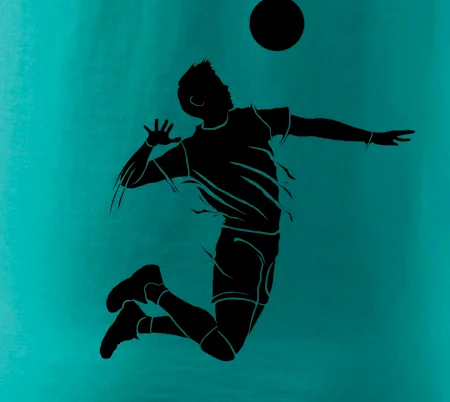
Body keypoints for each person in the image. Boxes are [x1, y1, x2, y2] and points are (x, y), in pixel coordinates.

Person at [100, 59, 414, 361]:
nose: (226, 88)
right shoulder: (191, 151)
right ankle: (151, 289)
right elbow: (131, 179)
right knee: (225, 346)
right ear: (198, 101)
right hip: (240, 245)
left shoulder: (252, 121)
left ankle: (137, 320)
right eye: (218, 86)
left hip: (268, 242)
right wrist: (150, 144)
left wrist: (370, 136)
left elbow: (312, 126)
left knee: (226, 337)